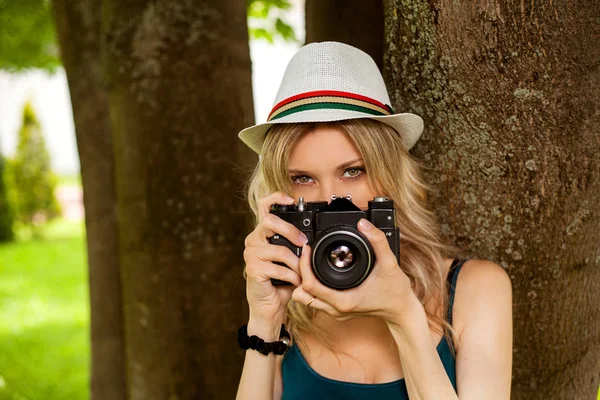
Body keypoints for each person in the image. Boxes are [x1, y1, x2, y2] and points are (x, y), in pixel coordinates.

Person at [235, 41, 512, 400]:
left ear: (389, 175)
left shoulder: (472, 289)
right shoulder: (289, 297)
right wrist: (265, 319)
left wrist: (404, 315)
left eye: (353, 171)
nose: (331, 198)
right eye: (303, 178)